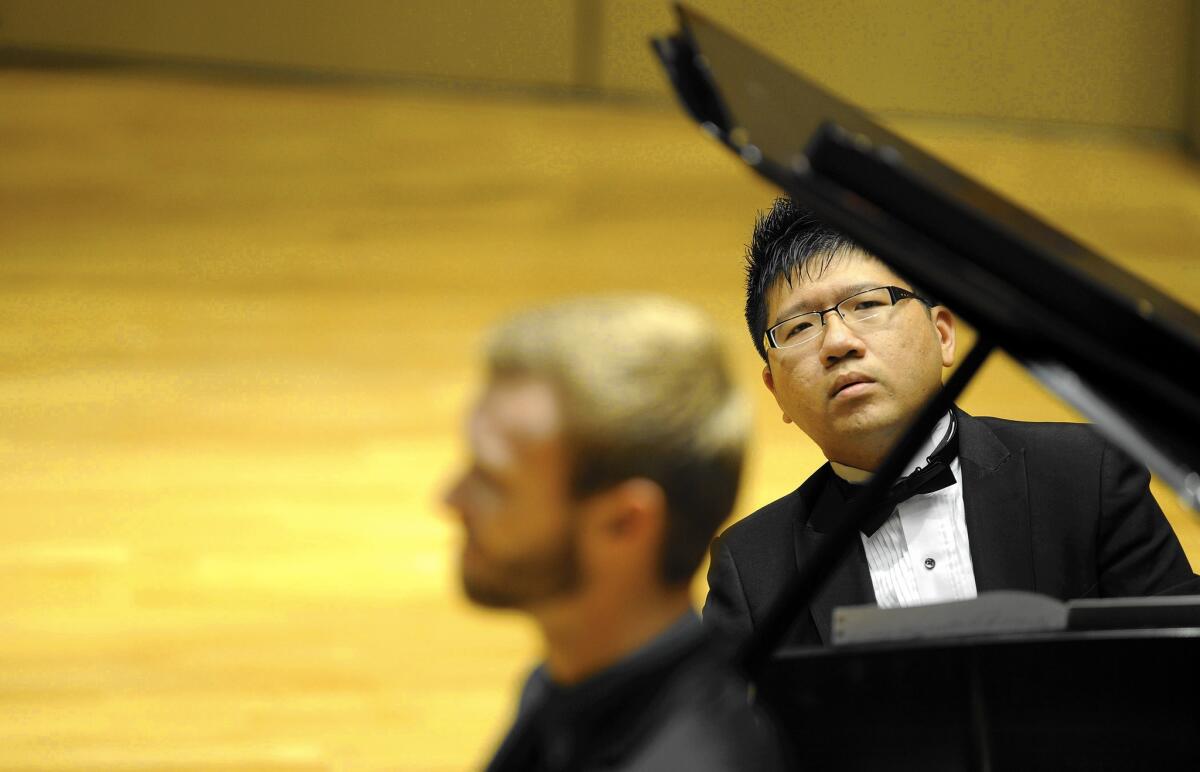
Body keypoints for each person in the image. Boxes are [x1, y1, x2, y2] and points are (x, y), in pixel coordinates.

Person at [704, 197, 1198, 648]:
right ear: (776, 392)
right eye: (799, 327)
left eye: (868, 304)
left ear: (943, 335)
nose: (838, 342)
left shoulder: (1085, 475)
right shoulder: (750, 567)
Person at [444, 296, 790, 771]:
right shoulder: (570, 684)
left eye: (493, 481)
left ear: (625, 523)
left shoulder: (685, 758)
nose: (450, 500)